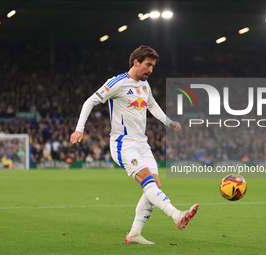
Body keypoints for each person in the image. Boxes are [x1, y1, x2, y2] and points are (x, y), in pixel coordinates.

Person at [70, 45, 199, 244]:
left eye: (153, 66)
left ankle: (134, 234)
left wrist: (169, 122)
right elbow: (89, 102)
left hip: (142, 143)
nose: (151, 70)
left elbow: (152, 105)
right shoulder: (117, 83)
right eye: (148, 65)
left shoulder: (145, 85)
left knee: (154, 185)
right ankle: (177, 215)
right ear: (135, 62)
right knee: (148, 182)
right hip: (123, 144)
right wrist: (80, 129)